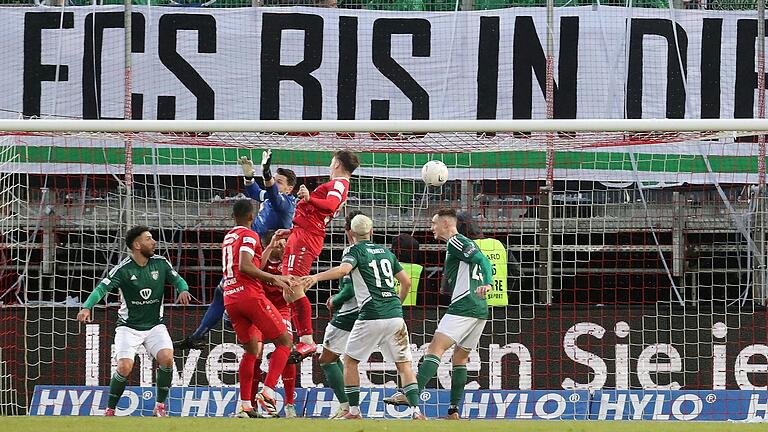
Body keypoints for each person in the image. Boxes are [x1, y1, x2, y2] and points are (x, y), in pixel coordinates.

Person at [301, 214, 425, 420]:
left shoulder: (354, 250)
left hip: (371, 314)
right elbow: (406, 283)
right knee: (404, 365)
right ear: (371, 231)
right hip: (395, 314)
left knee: (349, 362)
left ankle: (354, 412)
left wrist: (315, 277)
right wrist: (396, 303)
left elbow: (344, 270)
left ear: (351, 233)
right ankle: (417, 412)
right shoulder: (386, 252)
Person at [173, 151, 297, 351]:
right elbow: (255, 192)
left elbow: (272, 194)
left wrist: (265, 173)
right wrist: (249, 177)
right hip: (255, 253)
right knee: (222, 290)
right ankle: (200, 334)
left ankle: (231, 320)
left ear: (290, 188)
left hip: (273, 260)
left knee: (232, 292)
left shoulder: (286, 204)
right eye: (275, 179)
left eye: (279, 181)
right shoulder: (270, 197)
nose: (275, 183)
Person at [384, 209, 493, 420]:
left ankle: (409, 392)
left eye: (434, 223)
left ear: (445, 223)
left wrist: (487, 282)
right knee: (460, 358)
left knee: (436, 348)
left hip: (464, 306)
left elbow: (483, 260)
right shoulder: (460, 244)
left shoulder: (456, 241)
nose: (431, 227)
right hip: (479, 308)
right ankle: (453, 411)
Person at [76, 226, 192, 417]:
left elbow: (178, 280)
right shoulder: (123, 270)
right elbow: (101, 289)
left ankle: (160, 407)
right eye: (148, 239)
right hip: (128, 328)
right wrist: (87, 306)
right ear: (137, 245)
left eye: (152, 238)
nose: (153, 242)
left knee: (167, 358)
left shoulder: (161, 263)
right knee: (124, 367)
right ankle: (110, 409)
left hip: (155, 325)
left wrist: (183, 289)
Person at [283, 150, 360, 363]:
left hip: (307, 237)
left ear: (336, 163)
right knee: (288, 289)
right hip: (301, 233)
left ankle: (306, 339)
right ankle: (302, 338)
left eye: (331, 161)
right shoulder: (338, 185)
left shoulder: (339, 184)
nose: (329, 165)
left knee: (292, 286)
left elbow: (331, 206)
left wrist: (309, 198)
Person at [221, 199, 294, 418]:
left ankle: (245, 405)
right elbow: (245, 266)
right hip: (250, 296)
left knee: (251, 351)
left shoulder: (228, 237)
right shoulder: (249, 235)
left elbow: (249, 264)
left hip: (230, 298)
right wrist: (275, 278)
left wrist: (270, 246)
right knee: (285, 342)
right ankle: (268, 392)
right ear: (252, 217)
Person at [316, 210, 364, 419]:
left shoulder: (351, 250)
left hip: (350, 312)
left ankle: (346, 407)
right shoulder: (378, 250)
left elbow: (349, 289)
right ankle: (415, 408)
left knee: (326, 359)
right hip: (374, 311)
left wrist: (334, 300)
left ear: (348, 230)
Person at [258, 229, 299, 418]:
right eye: (281, 243)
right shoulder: (262, 256)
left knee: (287, 349)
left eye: (286, 242)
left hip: (282, 308)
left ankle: (289, 404)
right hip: (261, 307)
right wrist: (270, 246)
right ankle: (247, 404)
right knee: (253, 355)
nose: (284, 246)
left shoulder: (290, 259)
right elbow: (258, 267)